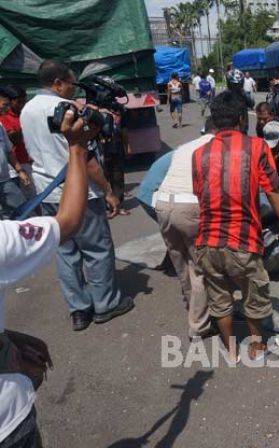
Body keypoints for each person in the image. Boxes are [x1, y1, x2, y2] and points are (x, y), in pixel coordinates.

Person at [0, 106, 95, 448]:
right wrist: (78, 148)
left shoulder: (25, 112)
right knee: (88, 252)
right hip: (8, 424)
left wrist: (8, 337)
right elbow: (68, 222)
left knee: (68, 261)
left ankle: (79, 308)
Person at [191, 91, 279, 363]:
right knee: (254, 297)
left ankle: (230, 350)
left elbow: (201, 195)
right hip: (243, 242)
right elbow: (274, 192)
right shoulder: (257, 148)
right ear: (243, 118)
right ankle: (256, 348)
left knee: (219, 298)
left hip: (207, 242)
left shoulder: (199, 154)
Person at [21, 59, 133, 331]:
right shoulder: (66, 110)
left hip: (46, 193)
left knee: (65, 251)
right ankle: (106, 304)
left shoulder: (27, 109)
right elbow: (86, 157)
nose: (74, 89)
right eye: (71, 83)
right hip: (79, 192)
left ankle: (79, 310)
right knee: (97, 249)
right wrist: (108, 190)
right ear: (57, 83)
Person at [155, 124, 216, 340]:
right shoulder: (216, 147)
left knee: (180, 263)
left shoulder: (183, 147)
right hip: (189, 206)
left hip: (163, 204)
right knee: (199, 267)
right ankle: (199, 326)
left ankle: (194, 307)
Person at [0, 86, 34, 199]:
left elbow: (9, 151)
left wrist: (20, 170)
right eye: (5, 104)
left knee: (25, 203)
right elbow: (14, 139)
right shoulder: (5, 118)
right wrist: (25, 125)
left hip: (14, 171)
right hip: (10, 171)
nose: (22, 105)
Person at [0, 123, 28, 219]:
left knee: (21, 209)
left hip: (5, 179)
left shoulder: (0, 126)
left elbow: (9, 152)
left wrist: (20, 170)